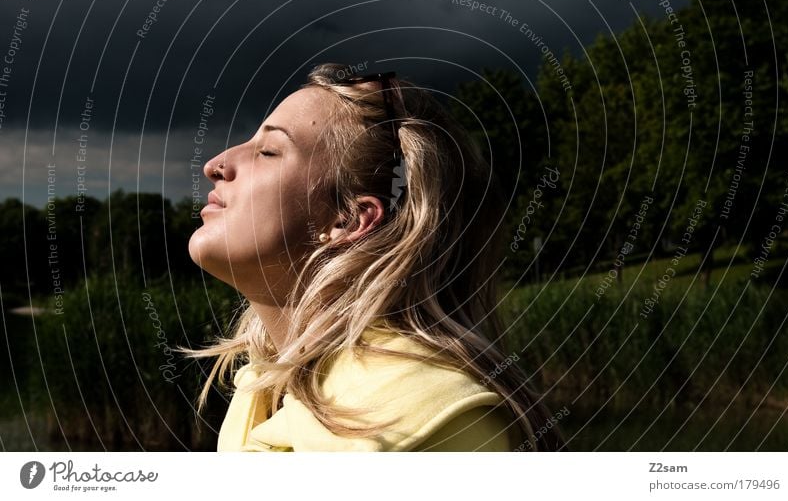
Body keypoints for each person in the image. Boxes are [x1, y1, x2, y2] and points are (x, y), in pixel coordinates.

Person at [183, 63, 566, 452]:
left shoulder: (434, 421)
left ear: (348, 220)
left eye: (268, 151)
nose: (215, 164)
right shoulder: (258, 394)